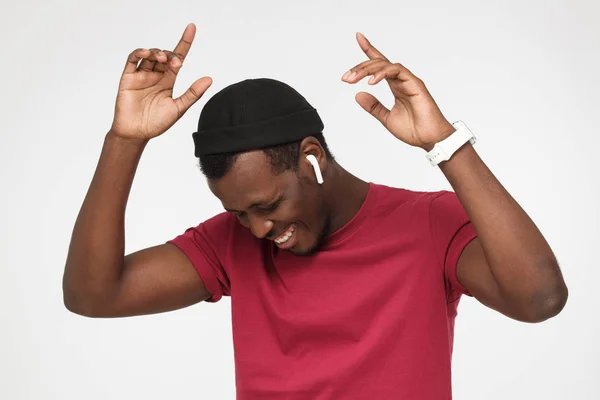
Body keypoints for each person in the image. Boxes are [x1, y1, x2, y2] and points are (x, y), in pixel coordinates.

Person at [62, 23, 568, 399]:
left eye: (268, 204)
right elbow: (92, 295)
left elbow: (540, 299)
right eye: (238, 212)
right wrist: (124, 140)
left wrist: (446, 145)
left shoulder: (429, 224)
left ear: (311, 157)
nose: (259, 228)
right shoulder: (231, 243)